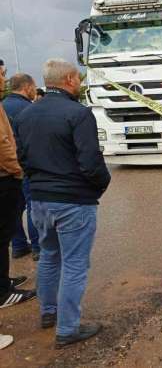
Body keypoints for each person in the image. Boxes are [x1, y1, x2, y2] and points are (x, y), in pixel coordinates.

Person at [15, 59, 111, 348]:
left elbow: (23, 158)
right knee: (74, 264)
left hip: (40, 201)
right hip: (73, 202)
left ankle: (48, 312)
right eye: (77, 79)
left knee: (48, 255)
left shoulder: (26, 114)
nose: (79, 83)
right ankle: (68, 329)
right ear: (70, 79)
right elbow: (91, 162)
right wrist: (100, 186)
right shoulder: (78, 114)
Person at [0, 66, 36, 309]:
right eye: (0, 74)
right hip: (6, 176)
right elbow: (3, 144)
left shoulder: (5, 104)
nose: (4, 78)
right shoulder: (27, 108)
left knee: (7, 231)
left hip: (7, 175)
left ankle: (4, 281)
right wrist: (18, 169)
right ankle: (3, 292)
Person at [3, 73, 40, 261]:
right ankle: (37, 247)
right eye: (34, 87)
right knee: (34, 206)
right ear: (27, 87)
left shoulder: (2, 106)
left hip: (6, 168)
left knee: (15, 209)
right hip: (25, 165)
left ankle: (18, 245)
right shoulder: (29, 109)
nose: (35, 91)